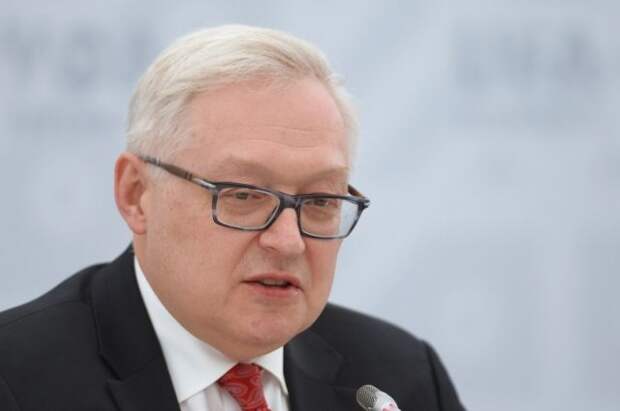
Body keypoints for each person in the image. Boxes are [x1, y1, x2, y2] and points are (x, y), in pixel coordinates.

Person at [0, 25, 465, 411]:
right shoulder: (16, 380)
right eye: (244, 195)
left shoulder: (400, 378)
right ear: (136, 195)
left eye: (321, 201)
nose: (288, 241)